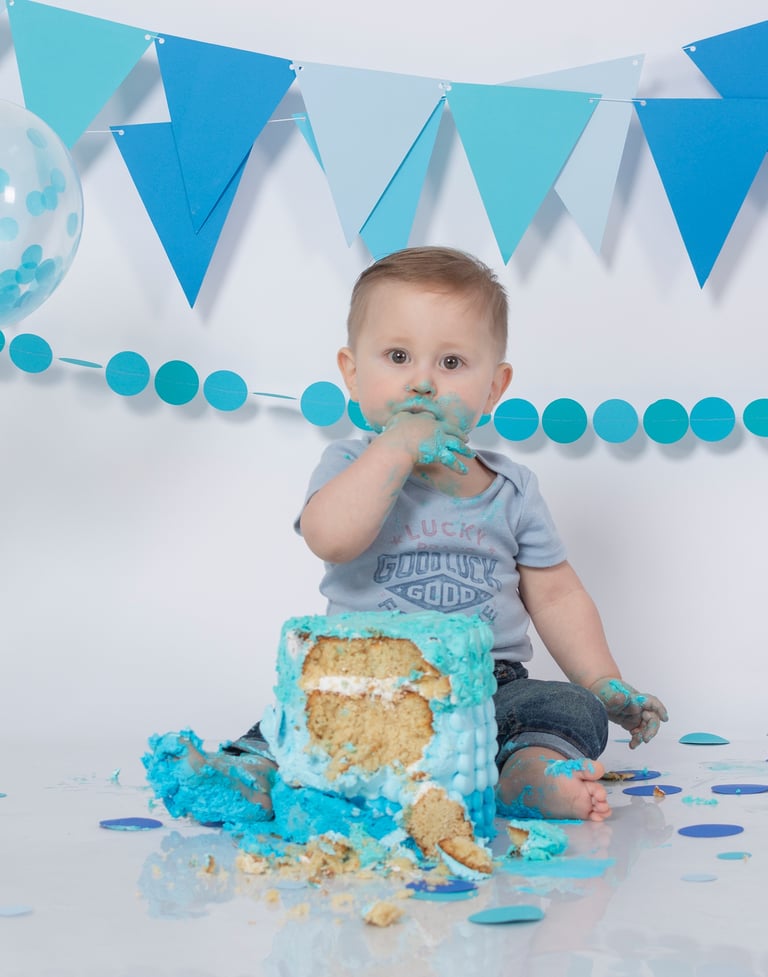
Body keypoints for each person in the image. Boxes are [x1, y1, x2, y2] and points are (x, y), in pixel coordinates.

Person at [166, 246, 667, 824]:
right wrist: (395, 450)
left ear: (494, 386)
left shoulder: (512, 488)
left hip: (487, 686)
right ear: (353, 374)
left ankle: (525, 771)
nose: (423, 382)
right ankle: (247, 776)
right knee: (293, 714)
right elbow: (331, 539)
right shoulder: (347, 465)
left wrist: (601, 679)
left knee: (565, 707)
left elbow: (556, 594)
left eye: (452, 363)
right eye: (398, 356)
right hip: (361, 678)